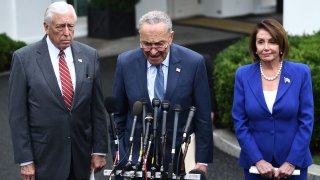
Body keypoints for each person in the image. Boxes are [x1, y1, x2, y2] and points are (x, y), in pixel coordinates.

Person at [8, 1, 108, 180]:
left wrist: (99, 149)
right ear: (46, 27)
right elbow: (18, 115)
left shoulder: (89, 55)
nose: (67, 33)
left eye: (71, 26)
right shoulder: (24, 59)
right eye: (60, 27)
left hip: (81, 155)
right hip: (44, 158)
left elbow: (97, 108)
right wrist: (25, 160)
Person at [112, 10, 213, 178]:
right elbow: (118, 114)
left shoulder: (193, 63)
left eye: (159, 44)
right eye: (146, 44)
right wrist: (120, 153)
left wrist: (201, 162)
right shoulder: (125, 62)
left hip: (178, 158)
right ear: (139, 38)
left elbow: (203, 116)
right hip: (135, 157)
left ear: (171, 37)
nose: (153, 51)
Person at [232, 19, 314, 180]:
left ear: (281, 46)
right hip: (256, 167)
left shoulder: (301, 73)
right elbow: (240, 121)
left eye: (272, 42)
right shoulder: (243, 75)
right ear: (255, 47)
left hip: (294, 167)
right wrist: (257, 159)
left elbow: (306, 121)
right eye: (261, 42)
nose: (266, 48)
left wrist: (292, 161)